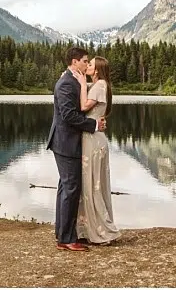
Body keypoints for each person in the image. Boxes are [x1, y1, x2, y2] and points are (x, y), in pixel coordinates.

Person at [47, 47, 106, 252]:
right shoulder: (65, 84)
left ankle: (62, 233)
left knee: (66, 188)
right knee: (71, 189)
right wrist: (94, 125)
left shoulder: (73, 80)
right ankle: (66, 239)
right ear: (74, 62)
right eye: (84, 61)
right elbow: (69, 116)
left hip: (67, 142)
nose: (87, 64)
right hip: (65, 144)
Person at [73, 56, 121, 245]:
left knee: (93, 184)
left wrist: (82, 85)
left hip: (93, 140)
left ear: (97, 70)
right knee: (91, 183)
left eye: (90, 65)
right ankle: (88, 228)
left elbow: (84, 106)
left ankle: (100, 230)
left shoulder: (100, 84)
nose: (87, 66)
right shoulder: (102, 85)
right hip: (93, 137)